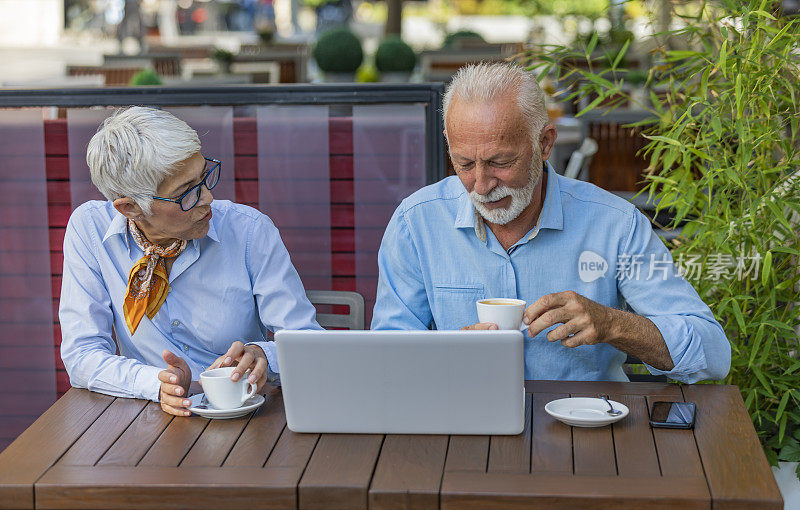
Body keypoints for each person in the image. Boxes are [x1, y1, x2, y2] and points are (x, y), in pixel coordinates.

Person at [371, 62, 730, 383]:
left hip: (587, 434)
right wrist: (447, 356)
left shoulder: (615, 224)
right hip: (463, 426)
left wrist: (612, 324)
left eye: (500, 162)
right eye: (464, 164)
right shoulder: (415, 222)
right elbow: (382, 360)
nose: (480, 186)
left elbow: (713, 354)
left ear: (544, 143)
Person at [60, 106, 321, 416]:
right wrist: (157, 383)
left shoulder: (249, 231)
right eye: (187, 192)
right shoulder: (90, 230)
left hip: (247, 416)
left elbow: (309, 346)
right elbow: (82, 355)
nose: (208, 197)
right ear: (129, 208)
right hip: (148, 420)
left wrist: (262, 354)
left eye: (204, 176)